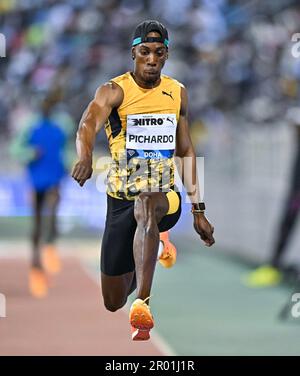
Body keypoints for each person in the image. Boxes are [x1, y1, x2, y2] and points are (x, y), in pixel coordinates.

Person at [72, 20, 215, 340]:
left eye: (159, 53)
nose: (152, 59)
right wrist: (84, 155)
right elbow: (86, 124)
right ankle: (156, 246)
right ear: (133, 53)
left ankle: (143, 304)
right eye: (145, 52)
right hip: (120, 198)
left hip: (164, 195)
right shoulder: (114, 90)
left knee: (148, 201)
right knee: (112, 300)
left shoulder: (177, 92)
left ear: (167, 55)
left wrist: (198, 210)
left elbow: (186, 150)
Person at [10, 96, 67, 298]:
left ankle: (50, 245)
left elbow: (68, 148)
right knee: (36, 224)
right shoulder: (31, 126)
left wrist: (69, 164)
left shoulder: (62, 125)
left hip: (54, 177)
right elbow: (15, 149)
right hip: (35, 179)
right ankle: (36, 269)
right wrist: (31, 152)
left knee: (52, 214)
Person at [245, 108, 300, 287]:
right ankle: (274, 266)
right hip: (296, 190)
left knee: (287, 222)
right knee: (286, 222)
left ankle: (274, 266)